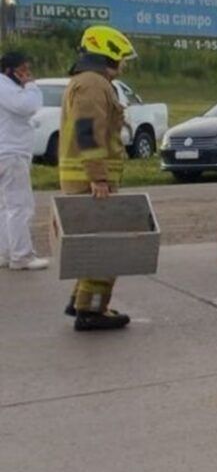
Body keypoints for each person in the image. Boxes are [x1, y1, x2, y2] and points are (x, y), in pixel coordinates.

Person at [60, 26, 137, 330]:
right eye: (122, 57)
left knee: (94, 242)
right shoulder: (93, 84)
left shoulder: (89, 81)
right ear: (109, 54)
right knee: (106, 246)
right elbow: (88, 132)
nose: (124, 64)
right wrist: (98, 178)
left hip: (85, 179)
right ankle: (92, 310)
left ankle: (79, 300)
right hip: (90, 182)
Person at [0, 51, 50, 271]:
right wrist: (31, 86)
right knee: (20, 205)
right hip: (11, 153)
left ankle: (6, 252)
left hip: (7, 152)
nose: (27, 74)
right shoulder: (5, 88)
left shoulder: (7, 88)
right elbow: (27, 107)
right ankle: (22, 255)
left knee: (6, 206)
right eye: (23, 70)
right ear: (9, 71)